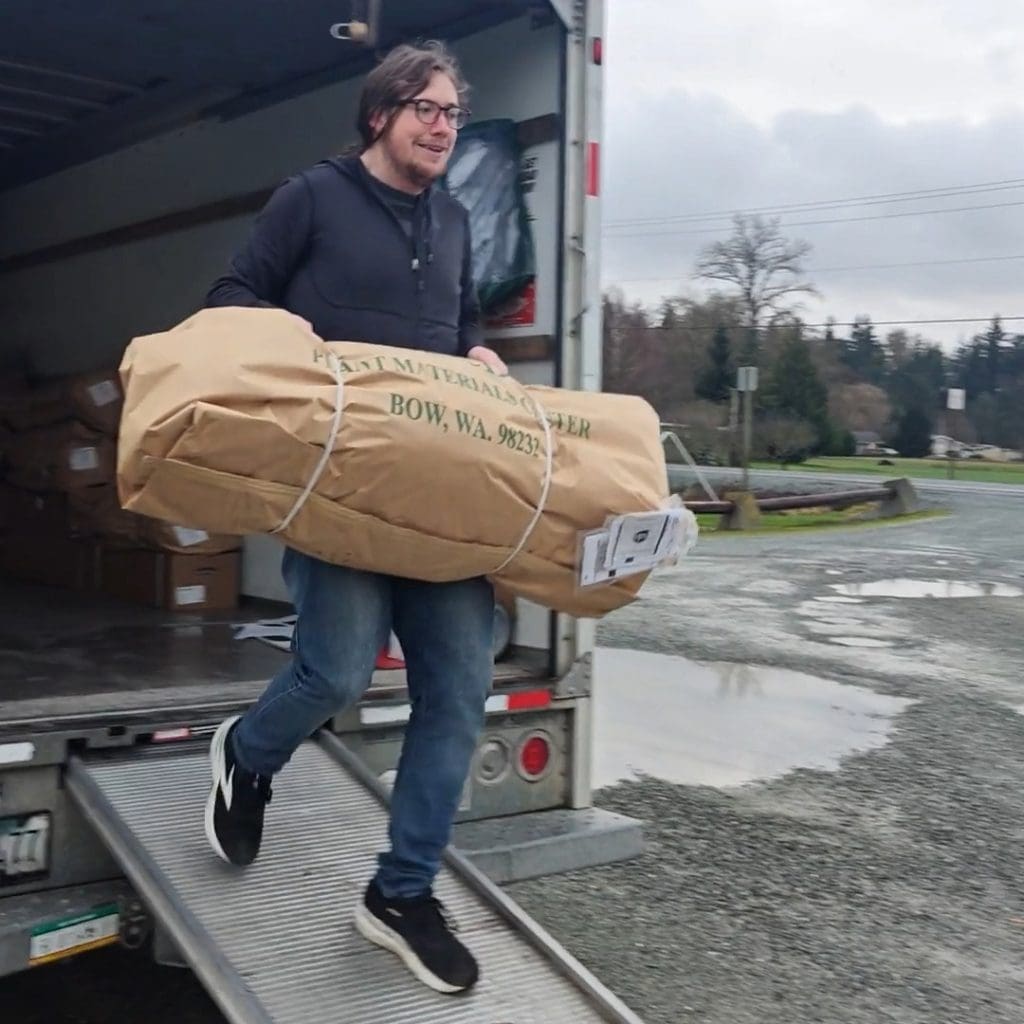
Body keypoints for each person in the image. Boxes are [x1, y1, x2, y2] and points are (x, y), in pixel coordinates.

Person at [202, 40, 508, 996]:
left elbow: (449, 338)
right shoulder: (312, 198)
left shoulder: (456, 222)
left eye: (454, 113)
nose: (444, 126)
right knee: (334, 669)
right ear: (380, 114)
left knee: (458, 686)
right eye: (428, 108)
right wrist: (282, 335)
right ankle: (246, 756)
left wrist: (480, 359)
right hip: (335, 484)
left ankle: (400, 894)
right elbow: (229, 300)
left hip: (434, 497)